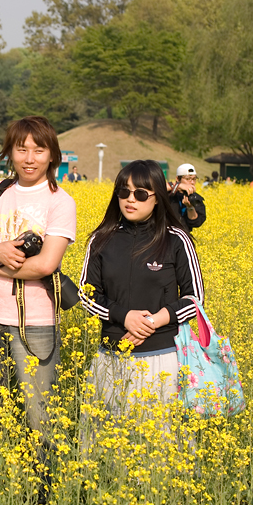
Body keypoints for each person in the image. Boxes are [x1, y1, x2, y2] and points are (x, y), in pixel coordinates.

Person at [0, 115, 76, 440]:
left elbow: (45, 265)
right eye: (21, 149)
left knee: (40, 412)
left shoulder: (60, 201)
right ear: (10, 152)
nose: (29, 158)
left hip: (35, 323)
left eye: (39, 150)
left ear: (52, 155)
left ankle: (44, 471)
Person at [79, 160, 204, 413]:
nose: (130, 199)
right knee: (104, 434)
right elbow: (87, 294)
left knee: (158, 435)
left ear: (157, 198)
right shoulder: (101, 239)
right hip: (110, 357)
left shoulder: (176, 239)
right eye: (124, 192)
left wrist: (150, 323)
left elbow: (195, 299)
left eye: (141, 194)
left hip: (162, 358)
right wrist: (124, 316)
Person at [168, 163, 206, 231]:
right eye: (188, 179)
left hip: (183, 234)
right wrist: (178, 186)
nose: (192, 182)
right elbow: (154, 188)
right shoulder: (168, 194)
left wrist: (190, 207)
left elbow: (196, 223)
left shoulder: (196, 198)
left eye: (194, 179)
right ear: (177, 179)